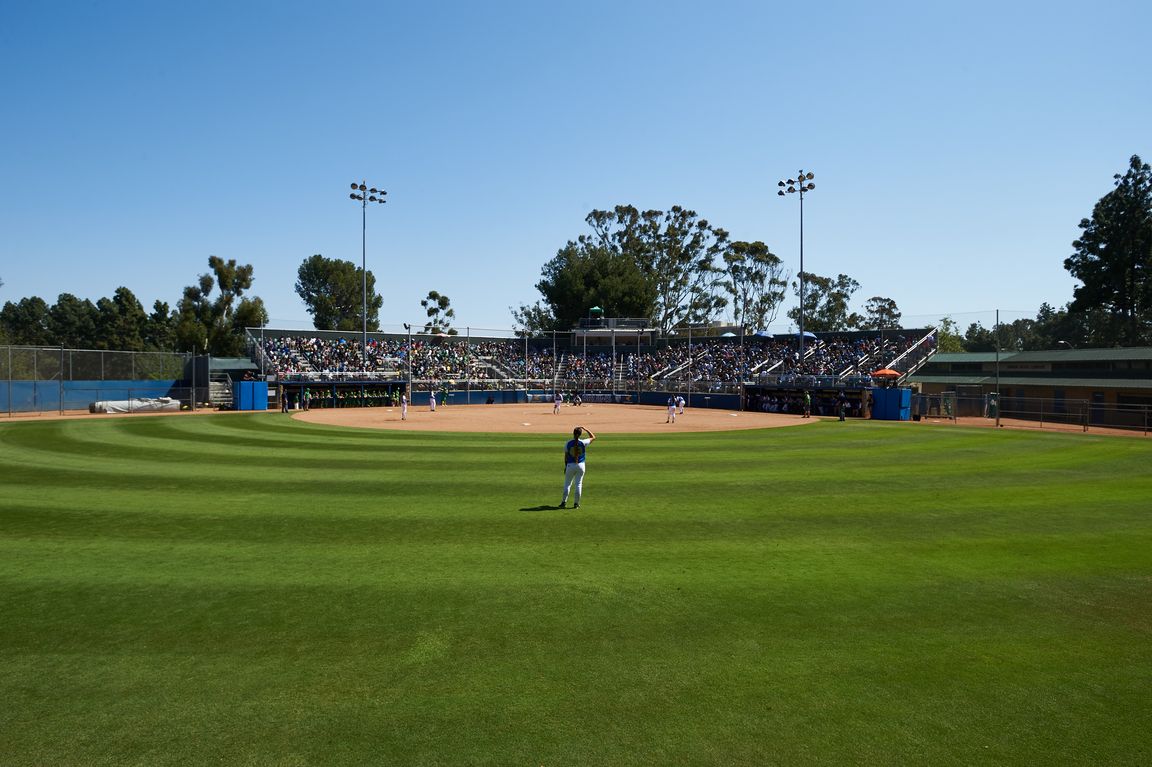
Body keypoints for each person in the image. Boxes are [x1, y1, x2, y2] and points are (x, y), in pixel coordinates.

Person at [560, 426, 596, 509]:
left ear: (573, 433)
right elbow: (593, 437)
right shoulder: (583, 442)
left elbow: (566, 456)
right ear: (580, 434)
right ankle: (576, 504)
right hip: (581, 465)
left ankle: (563, 502)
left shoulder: (568, 443)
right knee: (578, 484)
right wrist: (586, 429)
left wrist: (566, 466)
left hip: (570, 465)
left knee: (567, 484)